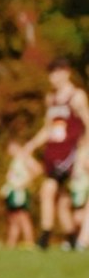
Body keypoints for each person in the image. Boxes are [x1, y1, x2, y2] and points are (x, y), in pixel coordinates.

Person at [23, 59, 89, 249]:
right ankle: (71, 238)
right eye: (51, 74)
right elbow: (48, 129)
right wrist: (31, 145)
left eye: (57, 73)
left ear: (66, 73)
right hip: (53, 152)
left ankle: (44, 237)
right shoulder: (50, 99)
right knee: (61, 201)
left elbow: (87, 122)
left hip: (71, 152)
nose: (53, 78)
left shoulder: (77, 96)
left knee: (47, 190)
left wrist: (85, 151)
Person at [1, 141, 38, 247]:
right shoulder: (15, 159)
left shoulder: (24, 157)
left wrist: (24, 183)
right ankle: (11, 243)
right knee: (13, 218)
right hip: (13, 191)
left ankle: (29, 241)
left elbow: (37, 169)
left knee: (23, 216)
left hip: (20, 192)